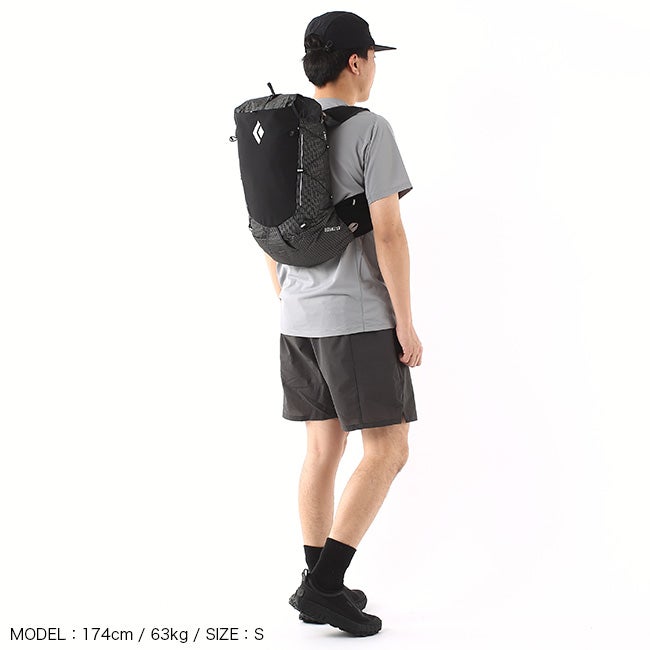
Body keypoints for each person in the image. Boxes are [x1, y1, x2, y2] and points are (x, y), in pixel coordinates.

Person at [264, 11, 423, 637]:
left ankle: (315, 581)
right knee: (389, 448)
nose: (374, 68)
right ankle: (325, 587)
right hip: (356, 319)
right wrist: (404, 323)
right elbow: (389, 234)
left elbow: (267, 231)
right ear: (356, 61)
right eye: (373, 57)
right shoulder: (370, 130)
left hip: (297, 318)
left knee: (322, 450)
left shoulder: (278, 129)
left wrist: (288, 296)